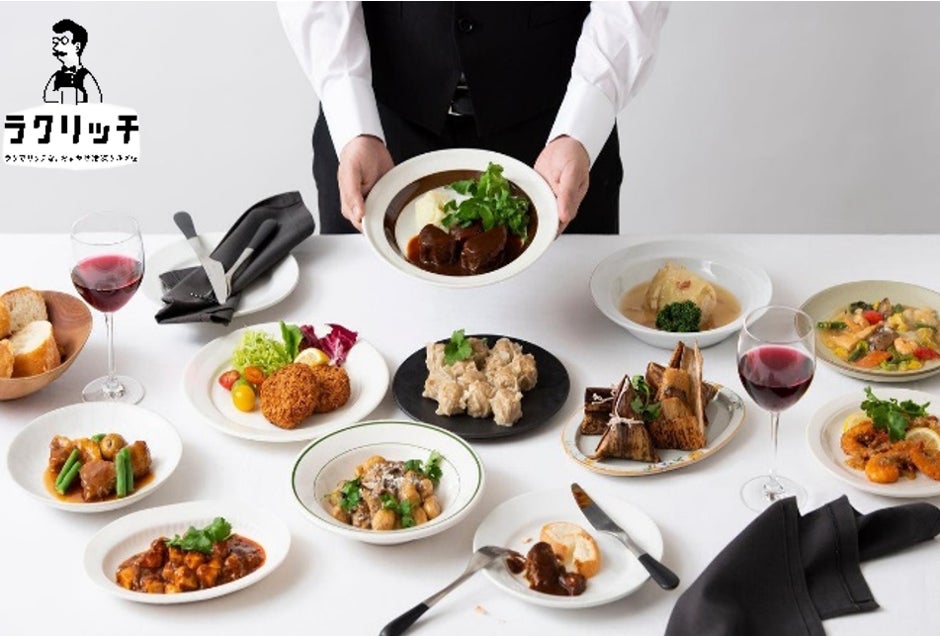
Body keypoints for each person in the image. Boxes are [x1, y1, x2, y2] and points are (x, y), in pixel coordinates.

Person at [278, 2, 668, 235]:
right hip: (376, 133)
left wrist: (581, 126)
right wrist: (354, 124)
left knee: (575, 341)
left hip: (557, 138)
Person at [43, 18, 103, 105]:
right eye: (55, 42)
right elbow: (47, 101)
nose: (56, 47)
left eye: (64, 42)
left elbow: (96, 104)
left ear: (77, 46)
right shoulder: (56, 77)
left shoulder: (85, 77)